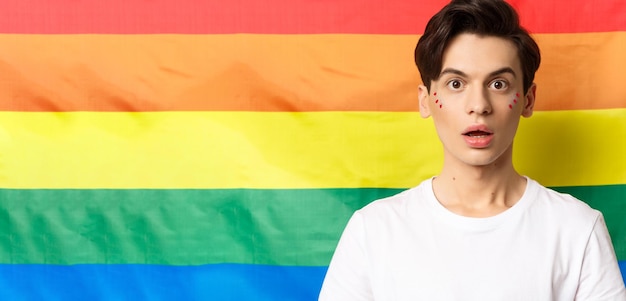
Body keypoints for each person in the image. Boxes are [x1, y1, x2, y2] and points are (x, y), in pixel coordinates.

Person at [318, 0, 626, 300]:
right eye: (456, 84)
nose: (478, 106)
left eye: (498, 84)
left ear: (527, 100)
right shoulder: (373, 231)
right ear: (425, 100)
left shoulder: (577, 229)